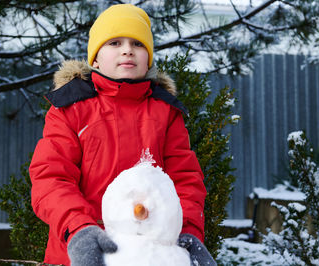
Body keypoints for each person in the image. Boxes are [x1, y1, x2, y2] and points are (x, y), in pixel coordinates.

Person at [29, 4, 216, 266]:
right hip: (80, 254)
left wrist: (187, 233)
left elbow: (184, 181)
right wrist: (79, 230)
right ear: (95, 58)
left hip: (150, 256)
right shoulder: (71, 108)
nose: (127, 49)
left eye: (138, 44)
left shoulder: (165, 113)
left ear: (148, 58)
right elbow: (51, 177)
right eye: (115, 42)